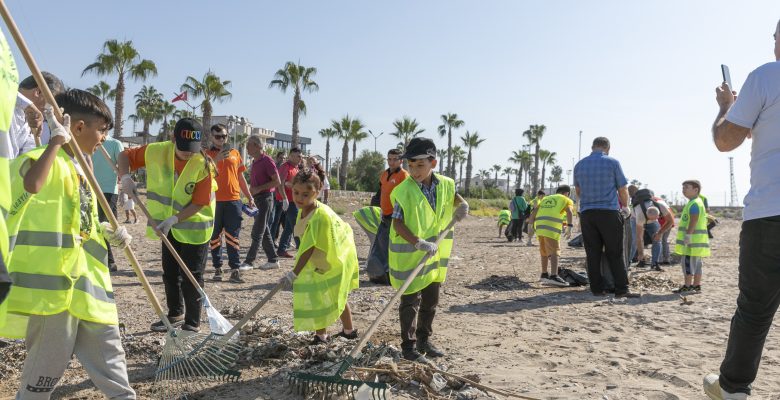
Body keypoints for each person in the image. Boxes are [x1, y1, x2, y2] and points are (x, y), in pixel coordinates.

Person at [0, 89, 135, 399]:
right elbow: (31, 185)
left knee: (115, 372)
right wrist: (55, 143)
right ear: (77, 128)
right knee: (39, 383)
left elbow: (82, 222)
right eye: (101, 129)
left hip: (90, 291)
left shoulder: (82, 170)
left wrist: (106, 231)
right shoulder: (45, 160)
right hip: (55, 297)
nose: (103, 138)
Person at [704, 20, 780, 399]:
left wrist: (726, 108)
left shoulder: (768, 76)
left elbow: (725, 140)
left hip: (771, 213)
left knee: (755, 309)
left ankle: (733, 388)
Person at [118, 118, 216, 333]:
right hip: (166, 225)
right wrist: (125, 176)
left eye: (192, 149)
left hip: (196, 227)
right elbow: (124, 155)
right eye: (183, 149)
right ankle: (175, 314)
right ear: (173, 139)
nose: (188, 153)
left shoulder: (204, 164)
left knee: (192, 275)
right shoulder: (156, 151)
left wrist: (175, 219)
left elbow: (200, 202)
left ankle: (192, 322)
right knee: (170, 273)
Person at [389, 137, 468, 362]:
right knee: (409, 303)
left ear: (433, 163)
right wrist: (418, 242)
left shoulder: (445, 184)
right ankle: (409, 347)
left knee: (430, 302)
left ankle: (424, 340)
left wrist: (462, 204)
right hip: (411, 255)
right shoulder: (404, 190)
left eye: (420, 166)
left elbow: (452, 198)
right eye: (410, 165)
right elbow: (397, 222)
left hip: (435, 254)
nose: (414, 171)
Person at [279, 171, 359, 344]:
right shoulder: (305, 210)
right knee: (316, 296)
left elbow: (308, 248)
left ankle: (349, 331)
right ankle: (321, 336)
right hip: (323, 259)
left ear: (317, 192)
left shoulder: (319, 217)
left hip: (338, 258)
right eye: (296, 193)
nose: (299, 198)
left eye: (305, 194)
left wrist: (294, 273)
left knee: (338, 296)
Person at [573, 137, 639, 298]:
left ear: (592, 147)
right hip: (609, 212)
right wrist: (625, 207)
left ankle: (597, 289)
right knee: (615, 252)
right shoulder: (612, 163)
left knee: (592, 253)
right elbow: (622, 189)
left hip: (587, 213)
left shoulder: (579, 165)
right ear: (607, 148)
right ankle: (621, 289)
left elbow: (578, 190)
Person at [206, 124, 253, 283]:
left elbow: (240, 177)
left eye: (224, 136)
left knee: (233, 236)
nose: (221, 139)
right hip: (213, 201)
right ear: (211, 137)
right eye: (218, 136)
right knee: (214, 237)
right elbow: (201, 174)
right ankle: (217, 268)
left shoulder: (235, 153)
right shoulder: (205, 155)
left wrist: (249, 196)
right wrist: (215, 159)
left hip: (234, 201)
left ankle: (235, 270)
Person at [366, 148, 409, 284]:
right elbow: (381, 191)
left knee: (392, 247)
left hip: (395, 217)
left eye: (395, 159)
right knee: (381, 245)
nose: (391, 162)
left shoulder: (404, 176)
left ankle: (392, 275)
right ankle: (380, 274)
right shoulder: (384, 174)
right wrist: (376, 201)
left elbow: (405, 196)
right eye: (389, 159)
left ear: (401, 160)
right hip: (384, 215)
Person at [240, 137, 281, 272]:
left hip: (265, 199)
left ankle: (249, 261)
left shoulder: (267, 161)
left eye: (249, 146)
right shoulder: (255, 162)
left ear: (257, 146)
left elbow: (277, 181)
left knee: (258, 231)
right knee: (264, 231)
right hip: (257, 199)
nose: (247, 148)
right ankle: (273, 259)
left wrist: (259, 188)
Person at [528, 185, 574, 287]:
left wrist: (530, 225)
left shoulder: (546, 198)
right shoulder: (566, 199)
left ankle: (544, 274)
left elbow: (534, 211)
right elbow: (569, 211)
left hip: (539, 227)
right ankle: (554, 276)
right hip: (551, 227)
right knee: (554, 251)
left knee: (544, 251)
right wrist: (570, 226)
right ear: (567, 193)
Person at [91, 136, 124, 272]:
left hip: (108, 191)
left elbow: (123, 167)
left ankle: (109, 261)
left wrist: (122, 174)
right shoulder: (89, 141)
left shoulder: (115, 144)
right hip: (90, 188)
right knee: (93, 225)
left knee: (106, 226)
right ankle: (100, 259)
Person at [672, 180, 710, 296]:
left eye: (686, 187)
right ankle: (697, 285)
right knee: (697, 264)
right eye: (683, 187)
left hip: (692, 242)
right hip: (697, 241)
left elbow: (694, 220)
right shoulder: (696, 202)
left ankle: (687, 286)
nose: (683, 190)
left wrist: (688, 236)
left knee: (687, 264)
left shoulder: (694, 203)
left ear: (695, 190)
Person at [17, 72, 65, 146]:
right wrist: (27, 105)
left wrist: (55, 139)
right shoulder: (7, 99)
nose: (46, 114)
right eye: (49, 106)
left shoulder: (28, 125)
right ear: (38, 92)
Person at [277, 147, 302, 258]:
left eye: (300, 156)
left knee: (288, 227)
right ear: (291, 156)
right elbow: (280, 183)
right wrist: (284, 199)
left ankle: (281, 249)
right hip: (289, 201)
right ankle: (302, 248)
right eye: (298, 156)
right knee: (297, 225)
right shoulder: (285, 167)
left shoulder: (295, 168)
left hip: (294, 200)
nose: (300, 158)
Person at [270, 150, 287, 242]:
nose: (283, 160)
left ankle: (275, 239)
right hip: (273, 197)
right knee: (273, 219)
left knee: (280, 219)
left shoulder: (285, 168)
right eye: (281, 157)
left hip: (282, 197)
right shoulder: (274, 167)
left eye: (284, 158)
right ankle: (271, 239)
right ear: (277, 158)